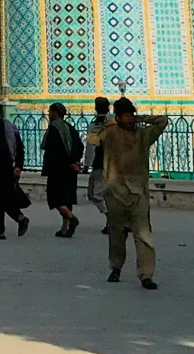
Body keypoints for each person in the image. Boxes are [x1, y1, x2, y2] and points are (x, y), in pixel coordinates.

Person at [90, 96, 171, 289]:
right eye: (126, 116)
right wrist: (111, 123)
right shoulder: (109, 133)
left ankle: (146, 274)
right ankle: (116, 267)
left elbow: (163, 121)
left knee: (143, 234)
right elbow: (92, 138)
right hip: (115, 191)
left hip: (138, 192)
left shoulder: (142, 135)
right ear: (118, 116)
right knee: (117, 234)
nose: (130, 119)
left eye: (131, 115)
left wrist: (140, 118)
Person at [0, 101, 30, 239]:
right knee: (5, 198)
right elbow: (19, 148)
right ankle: (16, 220)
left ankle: (6, 227)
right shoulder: (11, 127)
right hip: (10, 168)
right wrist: (18, 166)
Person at [41, 103, 84, 237]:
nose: (49, 114)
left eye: (50, 111)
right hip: (71, 170)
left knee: (55, 198)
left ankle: (71, 218)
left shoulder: (53, 129)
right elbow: (80, 146)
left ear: (54, 113)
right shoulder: (70, 128)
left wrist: (67, 162)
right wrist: (74, 161)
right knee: (67, 198)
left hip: (57, 169)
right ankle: (64, 229)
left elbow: (53, 150)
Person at [86, 97, 112, 232]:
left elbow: (91, 146)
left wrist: (86, 164)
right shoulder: (111, 122)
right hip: (107, 164)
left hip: (100, 164)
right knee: (96, 193)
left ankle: (111, 219)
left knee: (95, 194)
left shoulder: (97, 125)